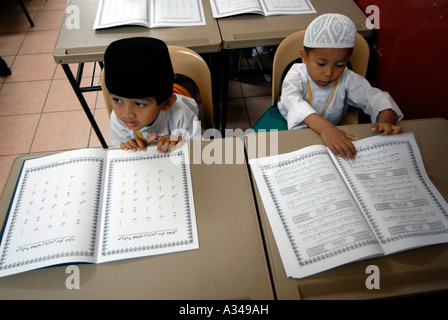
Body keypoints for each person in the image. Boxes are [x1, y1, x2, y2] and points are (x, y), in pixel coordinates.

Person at [277, 13, 404, 160]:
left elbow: (376, 98)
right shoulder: (296, 74)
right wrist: (325, 128)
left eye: (339, 65)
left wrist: (386, 121)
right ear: (304, 56)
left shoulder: (347, 78)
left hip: (333, 130)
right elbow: (292, 101)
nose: (329, 73)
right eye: (321, 64)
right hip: (288, 123)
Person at [104, 37, 200, 153]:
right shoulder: (118, 119)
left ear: (167, 103)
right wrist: (130, 148)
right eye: (117, 100)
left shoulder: (182, 114)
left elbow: (199, 150)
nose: (126, 113)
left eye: (139, 104)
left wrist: (181, 142)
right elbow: (119, 153)